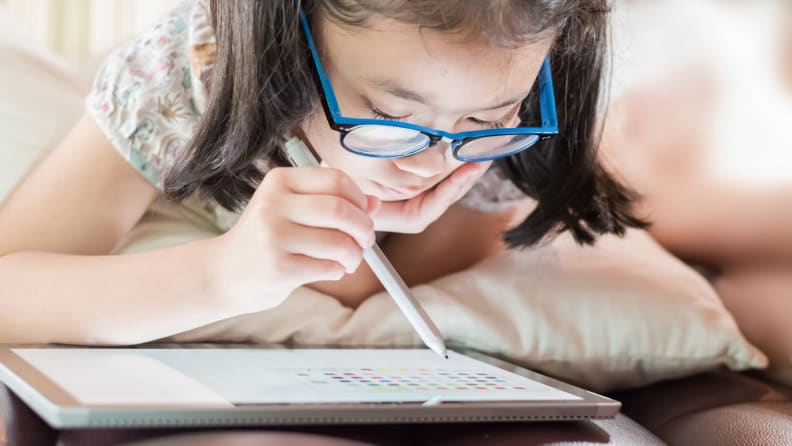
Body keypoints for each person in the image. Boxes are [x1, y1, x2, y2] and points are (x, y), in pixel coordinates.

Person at [0, 0, 644, 345]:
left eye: (485, 119)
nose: (428, 163)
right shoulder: (182, 74)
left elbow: (385, 283)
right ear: (291, 40)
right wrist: (226, 274)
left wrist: (350, 261)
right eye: (389, 114)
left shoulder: (513, 127)